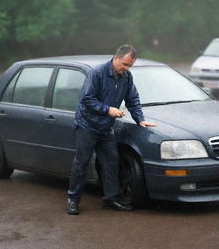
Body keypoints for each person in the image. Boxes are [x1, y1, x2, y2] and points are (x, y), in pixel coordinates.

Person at [67, 45, 156, 215]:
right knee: (81, 163)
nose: (126, 69)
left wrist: (140, 120)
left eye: (130, 66)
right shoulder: (97, 73)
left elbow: (133, 99)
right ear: (116, 58)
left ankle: (110, 199)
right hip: (87, 125)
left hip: (106, 128)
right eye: (124, 64)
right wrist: (108, 110)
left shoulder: (126, 77)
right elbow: (86, 99)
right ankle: (73, 200)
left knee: (111, 162)